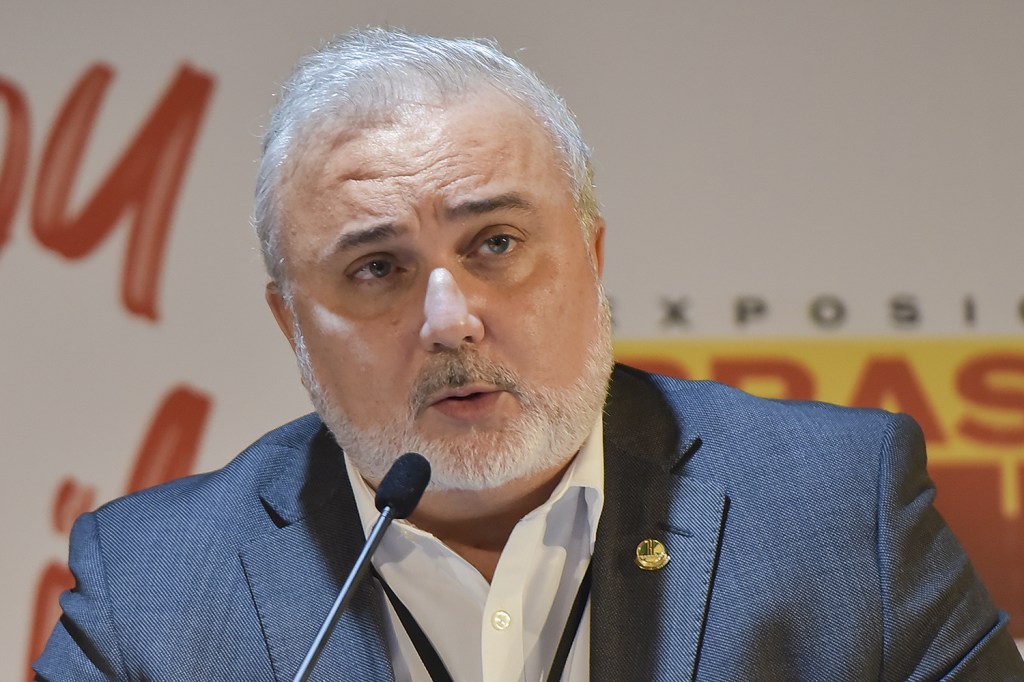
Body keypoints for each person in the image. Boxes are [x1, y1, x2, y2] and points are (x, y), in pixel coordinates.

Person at [35, 28, 1023, 682]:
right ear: (292, 325)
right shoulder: (151, 595)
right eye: (376, 268)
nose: (450, 319)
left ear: (590, 259)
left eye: (494, 244)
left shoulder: (841, 514)